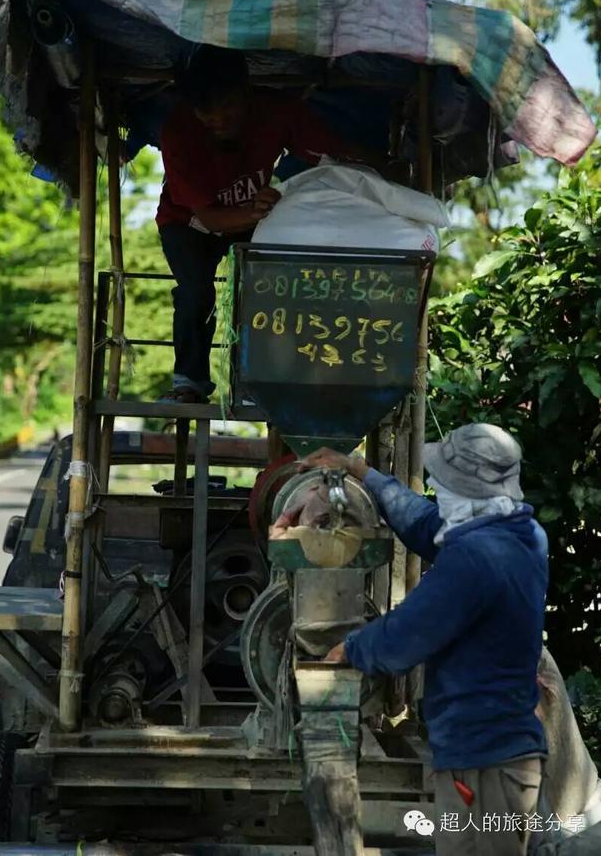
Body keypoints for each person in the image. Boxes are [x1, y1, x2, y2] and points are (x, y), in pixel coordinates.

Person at [300, 423, 549, 856]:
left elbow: (406, 636)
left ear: (464, 488)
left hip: (481, 764)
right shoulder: (519, 534)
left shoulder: (474, 559)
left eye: (443, 483)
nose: (438, 489)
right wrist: (361, 472)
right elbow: (426, 523)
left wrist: (349, 650)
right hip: (504, 750)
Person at [156, 45, 375, 403]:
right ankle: (189, 383)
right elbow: (210, 217)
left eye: (226, 108)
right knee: (196, 292)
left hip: (252, 215)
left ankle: (252, 382)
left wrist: (384, 167)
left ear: (246, 93)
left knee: (265, 292)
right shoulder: (177, 130)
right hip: (188, 223)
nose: (218, 121)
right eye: (206, 114)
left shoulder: (278, 112)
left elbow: (332, 153)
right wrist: (258, 211)